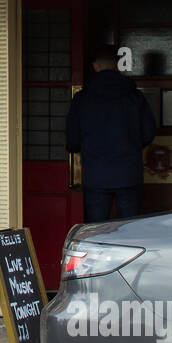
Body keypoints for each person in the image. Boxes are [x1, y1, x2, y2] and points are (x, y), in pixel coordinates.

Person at [66, 44, 156, 222]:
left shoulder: (82, 99)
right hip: (128, 173)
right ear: (116, 65)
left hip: (96, 175)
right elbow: (148, 133)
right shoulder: (134, 96)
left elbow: (73, 140)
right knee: (129, 229)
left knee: (98, 232)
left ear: (95, 66)